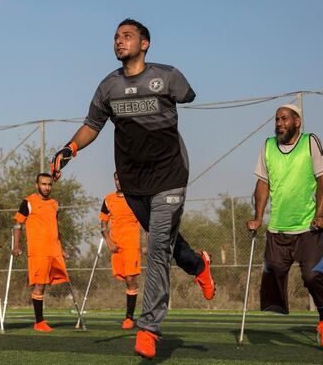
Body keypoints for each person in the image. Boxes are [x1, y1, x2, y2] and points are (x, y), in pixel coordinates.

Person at [50, 18, 214, 359]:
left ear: (145, 43)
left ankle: (149, 328)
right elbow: (92, 125)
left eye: (127, 36)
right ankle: (198, 265)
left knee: (156, 248)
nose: (119, 41)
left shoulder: (168, 76)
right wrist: (69, 149)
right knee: (166, 243)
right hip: (133, 183)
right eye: (115, 37)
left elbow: (189, 95)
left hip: (170, 175)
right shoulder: (107, 86)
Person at [248, 104, 323, 348]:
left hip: (307, 226)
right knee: (274, 269)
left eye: (285, 119)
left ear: (297, 122)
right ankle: (283, 306)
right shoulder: (268, 146)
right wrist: (258, 217)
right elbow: (262, 184)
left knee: (311, 275)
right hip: (278, 227)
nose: (279, 123)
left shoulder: (310, 142)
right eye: (277, 119)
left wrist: (321, 214)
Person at [12, 173, 69, 332]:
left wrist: (62, 248)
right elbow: (18, 224)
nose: (47, 187)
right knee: (39, 285)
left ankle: (41, 319)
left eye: (49, 184)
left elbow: (56, 228)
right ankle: (39, 322)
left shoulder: (54, 204)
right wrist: (16, 246)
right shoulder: (28, 202)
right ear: (37, 185)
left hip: (54, 249)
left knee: (54, 281)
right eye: (43, 184)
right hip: (38, 251)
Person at [99, 172, 144, 329]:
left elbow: (147, 221)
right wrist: (109, 242)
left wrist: (148, 244)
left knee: (131, 279)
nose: (119, 182)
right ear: (114, 180)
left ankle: (129, 318)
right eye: (117, 179)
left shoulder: (136, 198)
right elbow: (103, 226)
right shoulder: (108, 200)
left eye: (122, 178)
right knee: (125, 279)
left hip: (132, 245)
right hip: (116, 247)